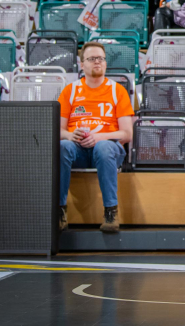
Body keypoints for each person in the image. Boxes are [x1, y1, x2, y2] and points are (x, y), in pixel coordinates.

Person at [58, 42, 134, 234]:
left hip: (107, 150)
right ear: (82, 64)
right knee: (62, 146)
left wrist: (100, 137)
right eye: (92, 59)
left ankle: (111, 212)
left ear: (106, 63)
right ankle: (59, 211)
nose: (97, 62)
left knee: (104, 147)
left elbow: (127, 134)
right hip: (78, 150)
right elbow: (57, 130)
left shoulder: (118, 91)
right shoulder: (70, 91)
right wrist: (70, 134)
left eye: (100, 58)